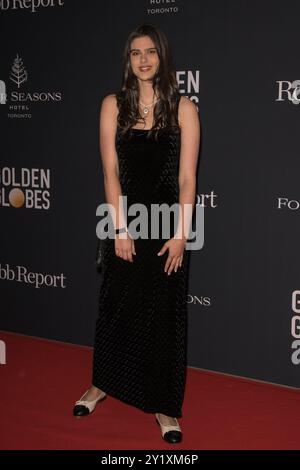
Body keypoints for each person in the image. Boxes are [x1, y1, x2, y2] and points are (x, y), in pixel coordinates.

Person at [73, 23, 200, 444]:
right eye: (135, 53)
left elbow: (186, 179)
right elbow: (110, 171)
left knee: (165, 317)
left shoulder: (183, 109)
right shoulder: (112, 105)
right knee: (115, 308)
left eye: (150, 52)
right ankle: (100, 385)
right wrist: (119, 228)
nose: (143, 60)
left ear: (162, 57)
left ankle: (165, 406)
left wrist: (182, 235)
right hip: (125, 222)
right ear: (127, 60)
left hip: (167, 227)